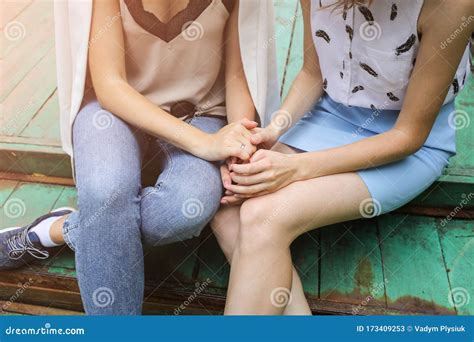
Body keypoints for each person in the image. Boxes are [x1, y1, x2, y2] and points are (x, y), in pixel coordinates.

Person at [0, 0, 279, 315]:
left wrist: (238, 143)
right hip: (114, 112)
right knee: (106, 191)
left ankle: (59, 229)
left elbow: (239, 76)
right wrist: (204, 144)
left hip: (200, 112)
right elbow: (109, 84)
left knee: (186, 209)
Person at [211, 0, 472, 314]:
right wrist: (274, 129)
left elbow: (409, 136)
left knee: (264, 216)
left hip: (405, 142)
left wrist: (296, 168)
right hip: (329, 116)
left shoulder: (452, 6)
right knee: (230, 200)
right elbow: (311, 73)